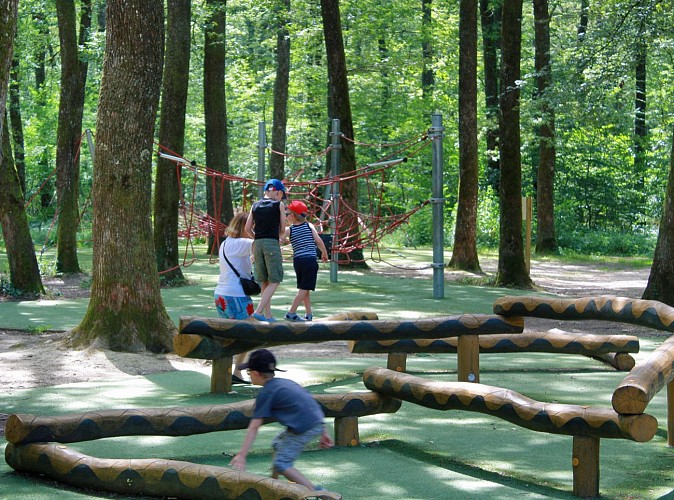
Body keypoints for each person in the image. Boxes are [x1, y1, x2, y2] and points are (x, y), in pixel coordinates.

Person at [229, 349, 333, 490]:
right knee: (278, 443)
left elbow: (254, 427)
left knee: (282, 464)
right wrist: (323, 430)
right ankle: (274, 484)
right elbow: (310, 403)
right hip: (314, 422)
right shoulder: (285, 383)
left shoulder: (266, 393)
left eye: (248, 372)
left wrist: (242, 455)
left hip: (303, 428)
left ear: (255, 373)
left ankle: (318, 493)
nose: (249, 375)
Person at [214, 211, 254, 384]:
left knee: (233, 334)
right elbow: (265, 244)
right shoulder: (243, 243)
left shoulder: (226, 244)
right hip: (235, 294)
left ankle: (230, 371)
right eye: (251, 226)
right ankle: (237, 371)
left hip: (221, 293)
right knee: (251, 333)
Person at [245, 179, 287, 322]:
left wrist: (257, 238)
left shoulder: (255, 205)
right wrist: (278, 237)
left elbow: (247, 228)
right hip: (271, 243)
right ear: (278, 192)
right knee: (275, 279)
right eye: (282, 195)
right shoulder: (279, 205)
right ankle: (258, 311)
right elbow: (282, 228)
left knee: (264, 280)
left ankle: (267, 315)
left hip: (257, 244)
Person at [282, 200, 328, 322]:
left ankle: (309, 314)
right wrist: (324, 252)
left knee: (304, 288)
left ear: (292, 216)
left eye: (287, 214)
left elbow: (280, 240)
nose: (286, 217)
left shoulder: (289, 230)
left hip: (298, 261)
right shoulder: (309, 226)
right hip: (309, 260)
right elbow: (318, 240)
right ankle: (291, 313)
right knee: (304, 289)